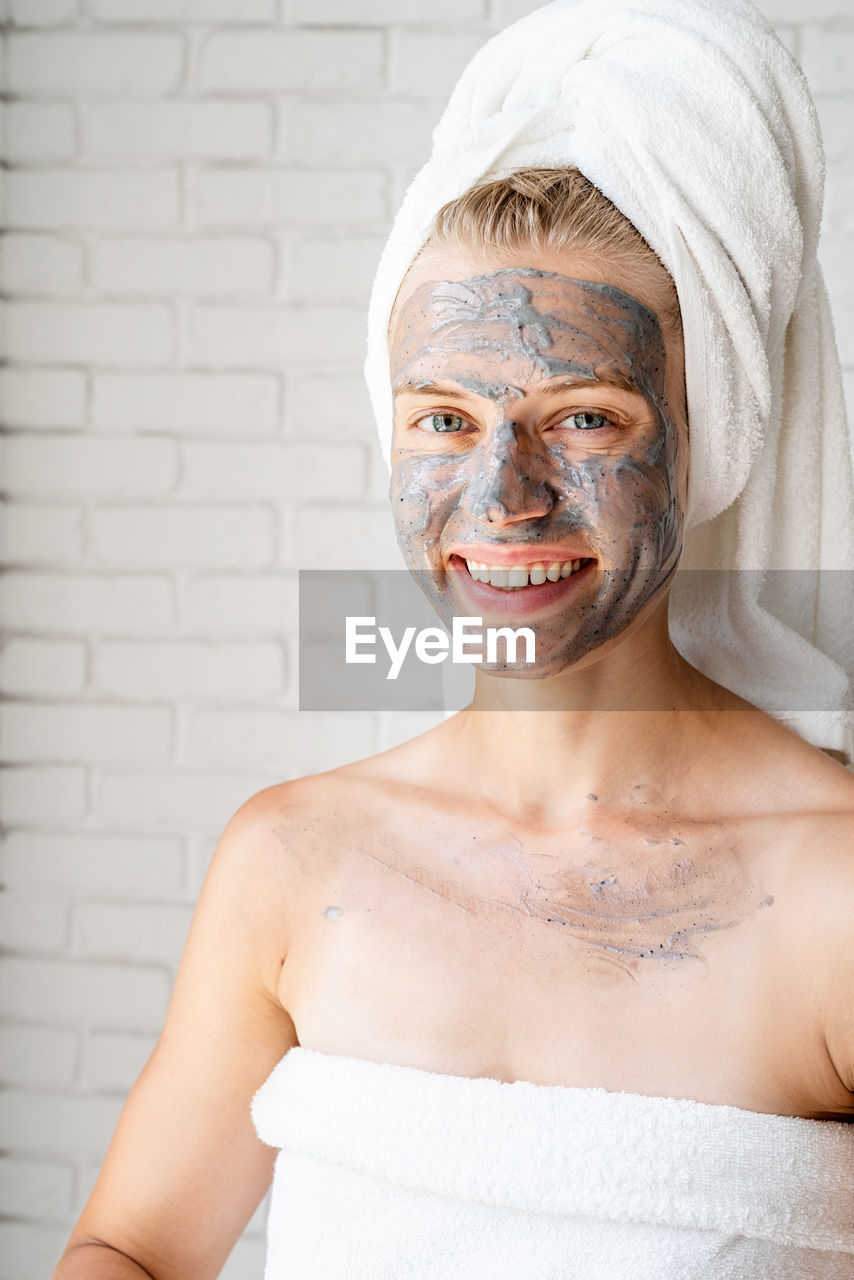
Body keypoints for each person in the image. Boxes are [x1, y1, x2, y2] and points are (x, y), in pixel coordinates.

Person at [54, 1, 854, 1277]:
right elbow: (132, 1244)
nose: (502, 500)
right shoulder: (291, 856)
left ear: (709, 440)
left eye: (582, 418)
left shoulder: (832, 890)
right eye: (441, 420)